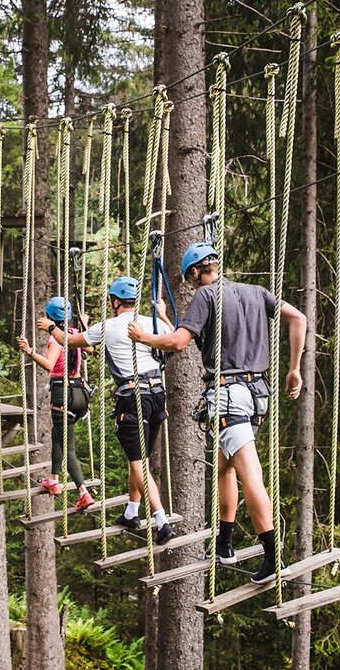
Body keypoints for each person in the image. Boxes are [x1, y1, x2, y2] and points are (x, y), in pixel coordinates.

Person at [127, 242, 307, 583]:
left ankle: (273, 558)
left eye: (190, 277)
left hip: (229, 395)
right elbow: (298, 317)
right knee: (226, 466)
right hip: (256, 395)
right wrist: (294, 368)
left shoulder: (206, 296)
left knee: (249, 474)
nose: (191, 284)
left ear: (195, 271)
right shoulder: (255, 292)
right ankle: (225, 543)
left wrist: (144, 337)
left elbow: (179, 342)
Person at [37, 276, 177, 545]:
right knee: (139, 458)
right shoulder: (151, 323)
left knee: (139, 464)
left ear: (114, 302)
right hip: (157, 395)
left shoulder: (108, 327)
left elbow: (68, 340)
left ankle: (161, 521)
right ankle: (131, 512)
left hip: (132, 396)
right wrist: (163, 315)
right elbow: (175, 339)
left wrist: (52, 326)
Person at [18, 297, 94, 512]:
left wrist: (30, 352)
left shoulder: (55, 339)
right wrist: (84, 325)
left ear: (50, 318)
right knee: (57, 434)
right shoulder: (73, 334)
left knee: (68, 446)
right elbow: (90, 350)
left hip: (64, 394)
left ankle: (83, 492)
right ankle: (54, 479)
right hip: (80, 394)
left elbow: (50, 365)